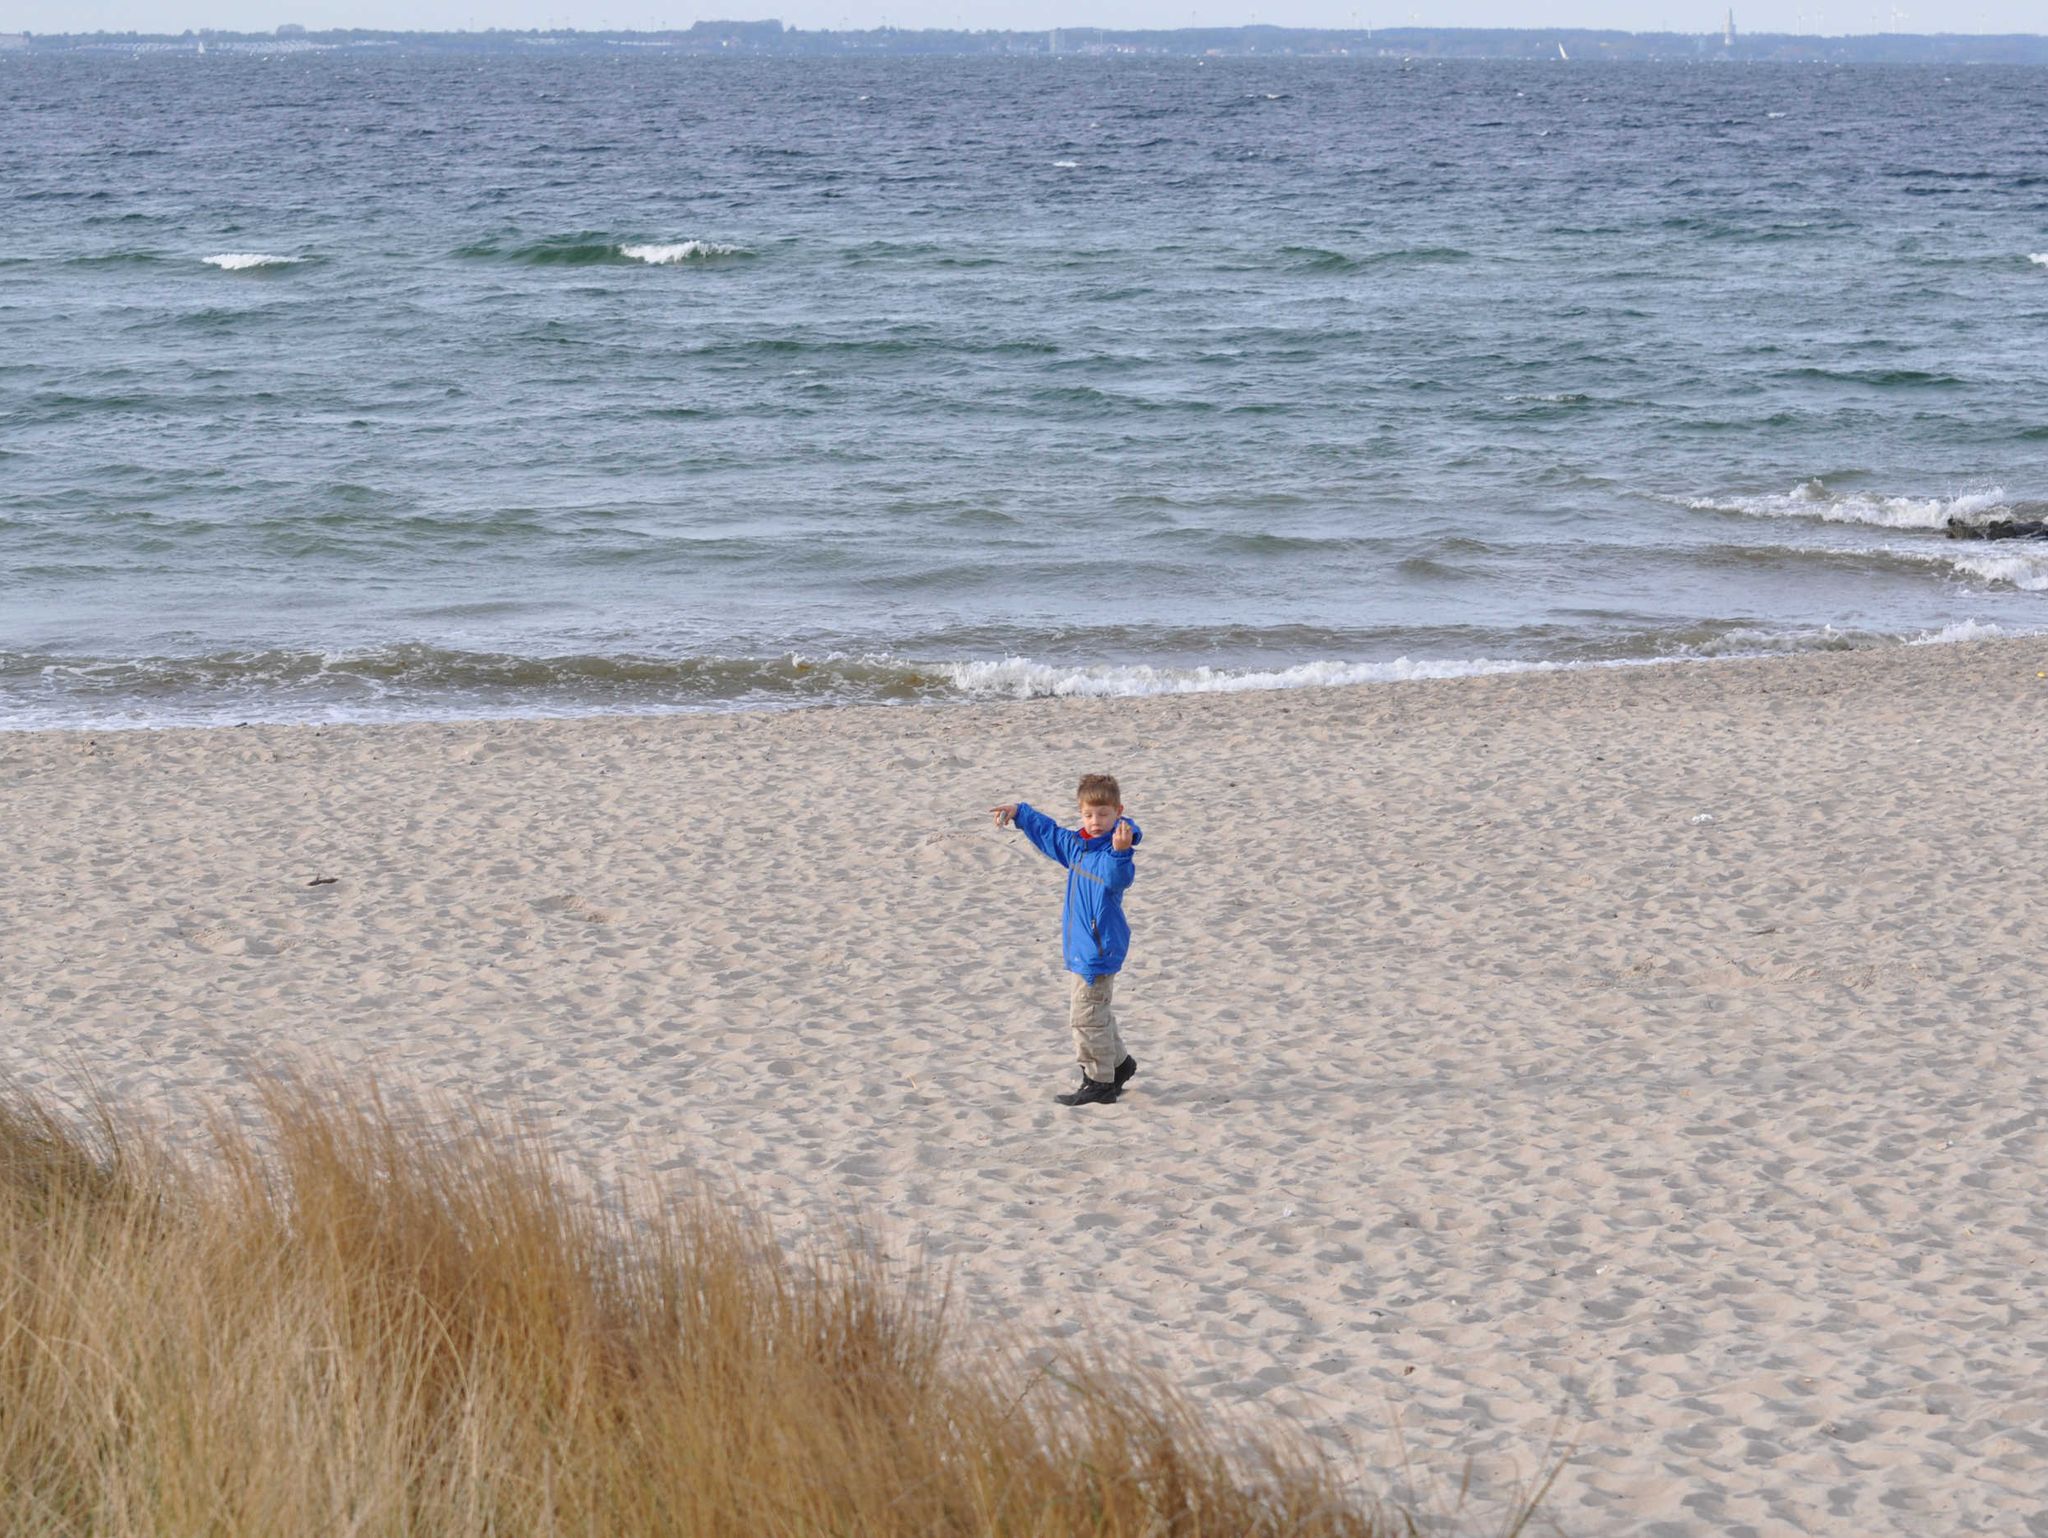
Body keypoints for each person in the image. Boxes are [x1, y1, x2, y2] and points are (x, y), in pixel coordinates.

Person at [990, 773, 1142, 1106]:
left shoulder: (1113, 852)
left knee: (1086, 1018)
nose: (1096, 821)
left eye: (1103, 814)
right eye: (1089, 814)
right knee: (1097, 1011)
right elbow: (1051, 834)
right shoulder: (1078, 847)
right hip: (1081, 948)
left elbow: (1119, 879)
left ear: (1118, 811)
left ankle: (1099, 1082)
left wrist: (1120, 852)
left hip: (1099, 951)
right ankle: (1119, 1065)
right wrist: (1020, 812)